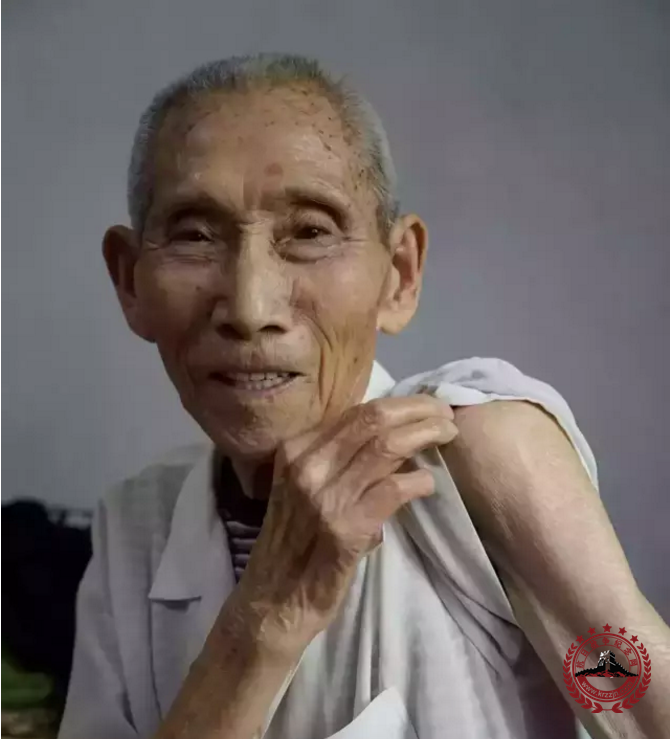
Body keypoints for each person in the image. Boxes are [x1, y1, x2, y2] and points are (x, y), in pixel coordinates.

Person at [58, 54, 669, 739]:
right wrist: (262, 621)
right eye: (195, 236)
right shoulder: (134, 526)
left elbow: (639, 700)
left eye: (310, 232)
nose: (251, 308)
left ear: (399, 274)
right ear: (129, 281)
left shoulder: (472, 451)